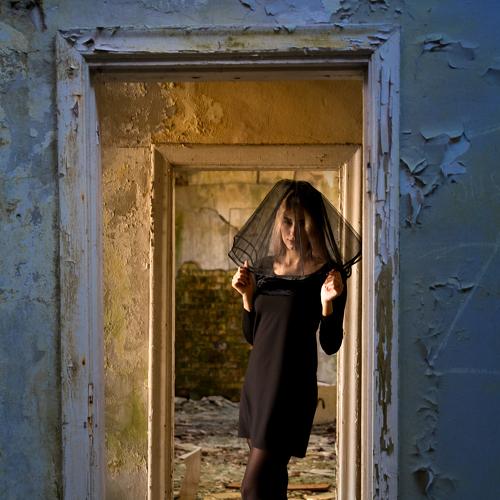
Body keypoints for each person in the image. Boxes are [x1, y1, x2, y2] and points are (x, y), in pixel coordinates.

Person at [229, 180, 360, 499]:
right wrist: (247, 297)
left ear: (315, 224)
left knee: (252, 488)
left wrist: (326, 303)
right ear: (278, 221)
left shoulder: (328, 275)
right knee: (272, 485)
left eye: (302, 222)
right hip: (258, 384)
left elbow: (331, 343)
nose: (293, 231)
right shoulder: (263, 268)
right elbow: (252, 336)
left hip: (290, 389)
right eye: (287, 221)